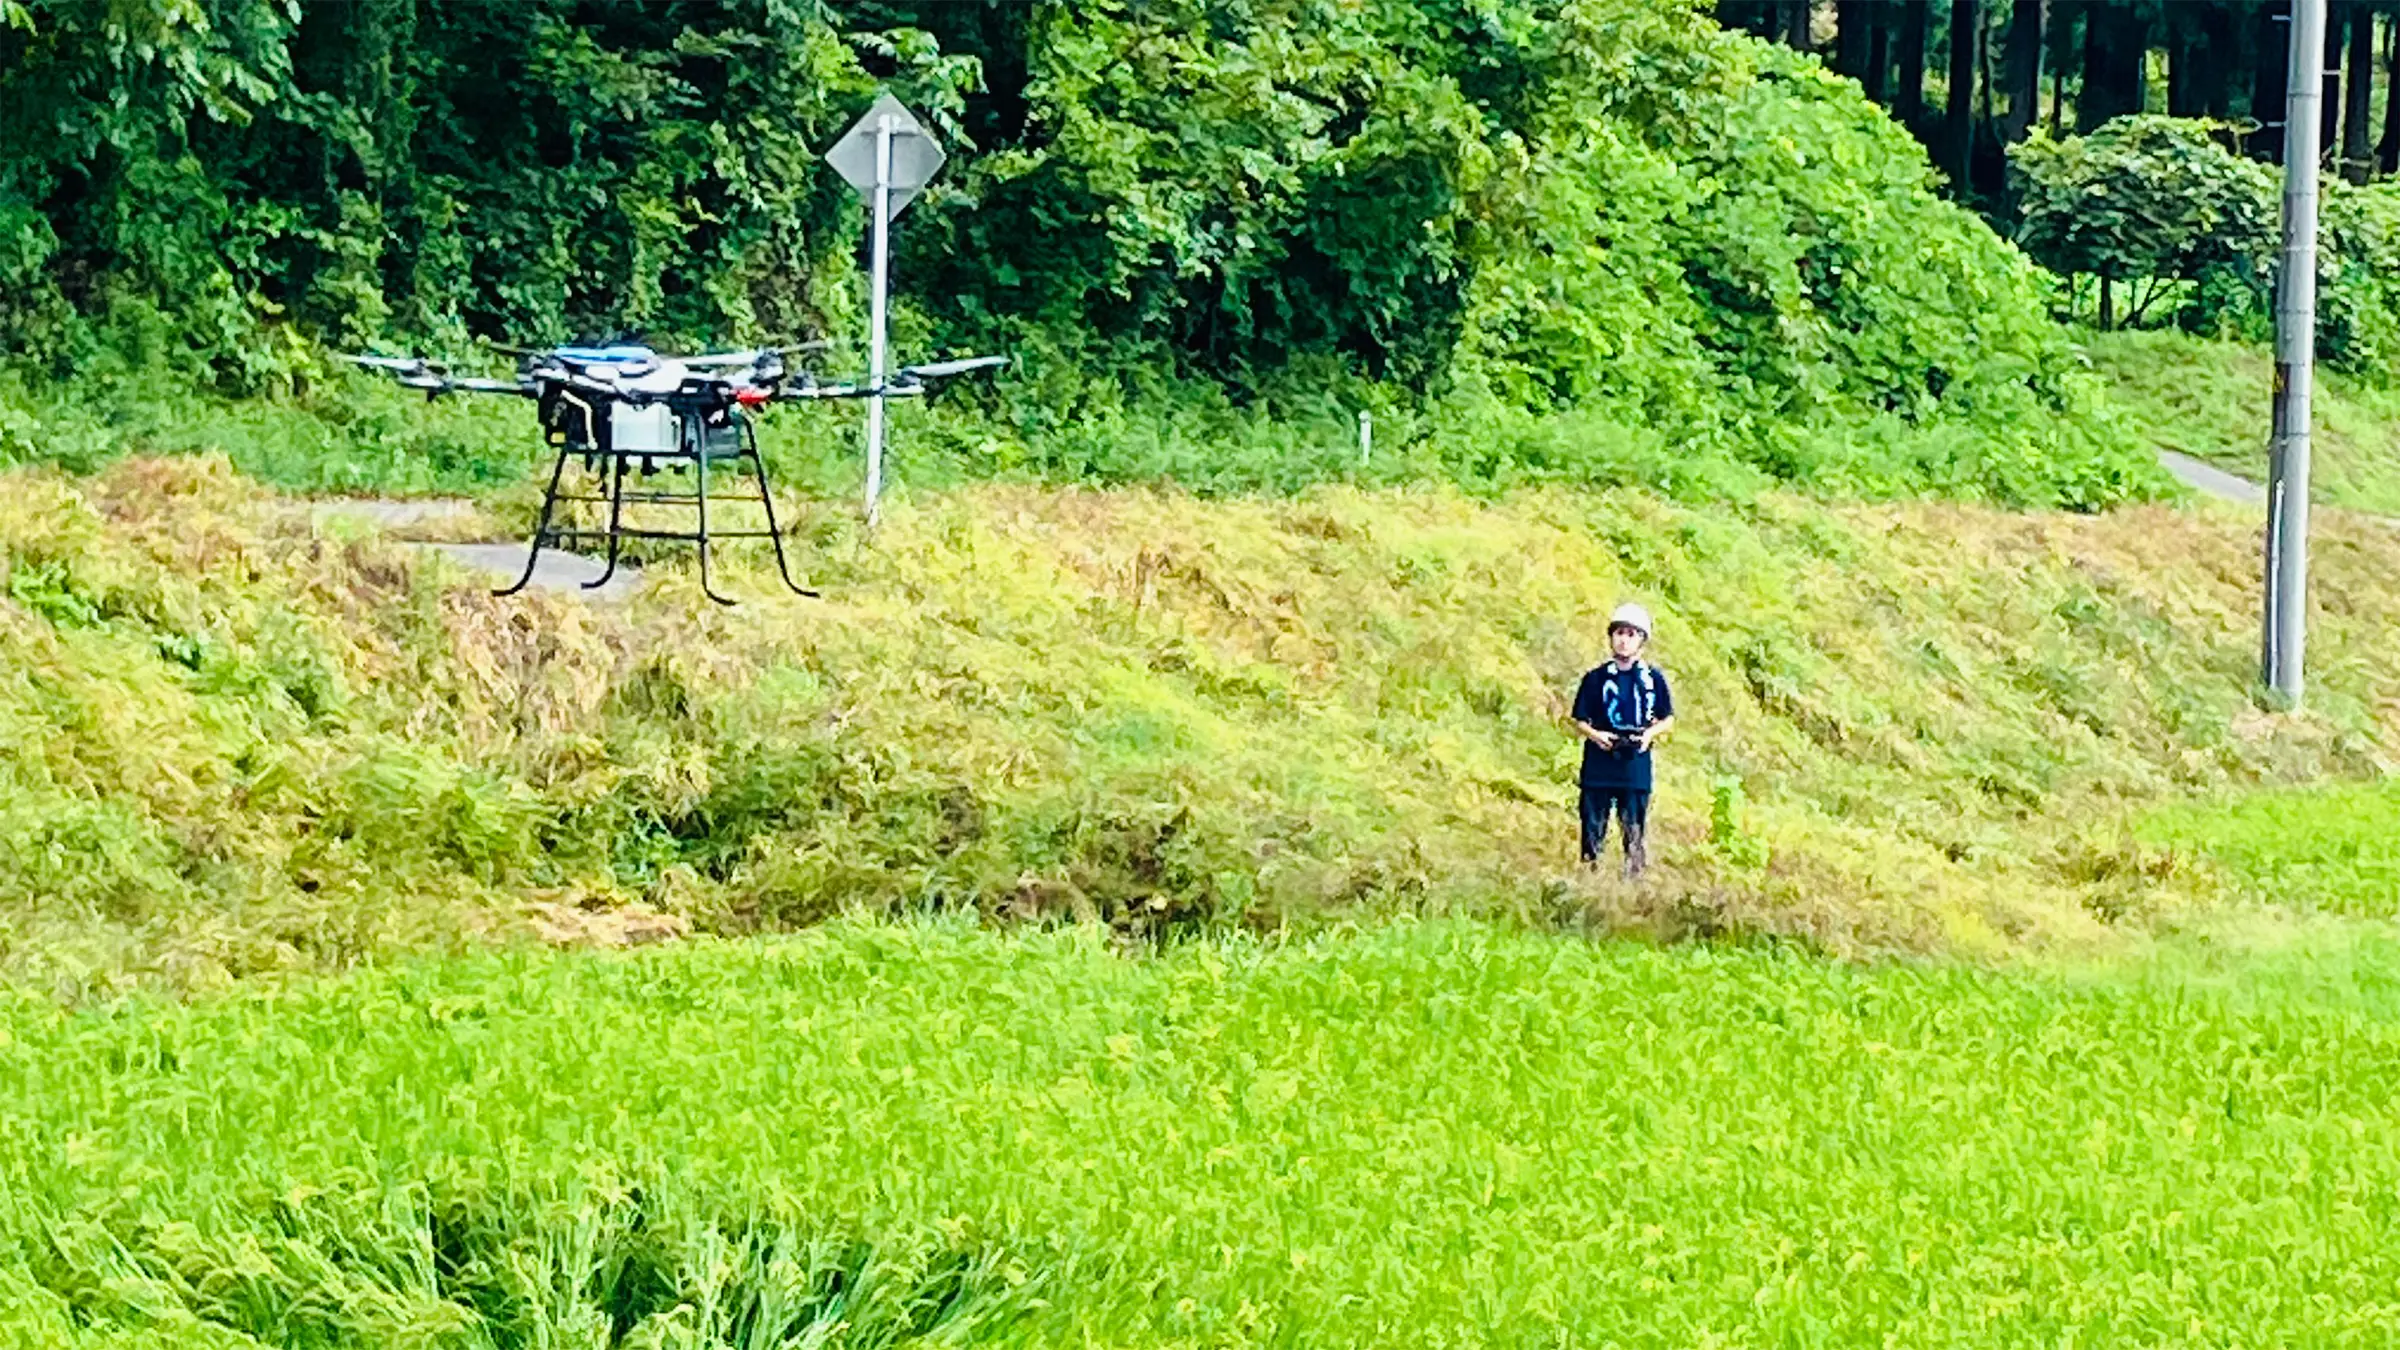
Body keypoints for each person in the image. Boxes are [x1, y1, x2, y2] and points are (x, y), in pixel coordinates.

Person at [1570, 603, 1675, 877]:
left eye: (1630, 634)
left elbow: (1667, 718)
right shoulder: (1595, 678)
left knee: (1634, 828)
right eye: (1619, 633)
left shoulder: (1653, 679)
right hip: (1599, 765)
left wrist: (1648, 735)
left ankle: (1634, 882)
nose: (1624, 640)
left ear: (1641, 640)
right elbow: (1579, 718)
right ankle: (1591, 877)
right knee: (1593, 826)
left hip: (1635, 765)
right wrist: (1597, 736)